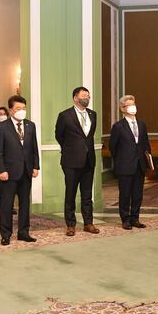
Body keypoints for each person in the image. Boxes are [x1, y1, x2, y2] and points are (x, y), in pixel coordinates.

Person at [0, 95, 39, 245]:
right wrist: (1, 170)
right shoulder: (2, 127)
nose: (22, 111)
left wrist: (35, 166)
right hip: (9, 172)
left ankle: (23, 232)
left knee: (25, 203)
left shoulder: (30, 125)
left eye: (24, 108)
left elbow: (34, 148)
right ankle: (6, 234)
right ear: (11, 110)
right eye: (18, 108)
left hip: (26, 170)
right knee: (7, 204)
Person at [55, 87, 100, 237]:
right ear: (75, 98)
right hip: (71, 161)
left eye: (88, 96)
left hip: (89, 160)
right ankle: (70, 225)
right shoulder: (65, 115)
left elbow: (89, 136)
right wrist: (71, 149)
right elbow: (59, 135)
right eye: (83, 96)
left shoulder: (93, 115)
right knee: (71, 193)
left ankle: (88, 223)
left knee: (87, 194)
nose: (86, 98)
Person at [109, 95, 151, 230]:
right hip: (125, 165)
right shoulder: (118, 126)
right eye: (129, 104)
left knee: (138, 194)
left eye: (133, 103)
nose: (133, 107)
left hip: (140, 165)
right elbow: (113, 147)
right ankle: (125, 219)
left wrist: (147, 161)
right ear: (123, 108)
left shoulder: (142, 124)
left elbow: (145, 143)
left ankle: (135, 218)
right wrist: (120, 161)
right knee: (125, 194)